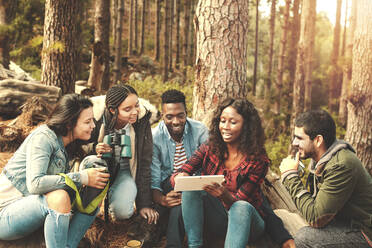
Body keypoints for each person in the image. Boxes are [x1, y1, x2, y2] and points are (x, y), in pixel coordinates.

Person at [172, 98, 294, 248]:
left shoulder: (257, 160)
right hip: (218, 218)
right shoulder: (211, 146)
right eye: (222, 121)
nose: (225, 127)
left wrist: (224, 195)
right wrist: (180, 177)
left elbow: (239, 203)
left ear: (246, 126)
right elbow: (183, 170)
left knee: (241, 207)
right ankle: (194, 245)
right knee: (191, 189)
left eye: (233, 122)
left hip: (248, 222)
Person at [0, 94, 106, 248]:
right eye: (87, 122)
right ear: (69, 124)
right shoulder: (43, 137)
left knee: (94, 178)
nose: (93, 126)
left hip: (32, 211)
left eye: (93, 120)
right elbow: (35, 184)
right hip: (5, 213)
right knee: (59, 197)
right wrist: (81, 177)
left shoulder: (67, 143)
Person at [279, 109, 372, 248]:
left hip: (363, 234)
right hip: (341, 225)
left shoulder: (341, 165)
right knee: (281, 217)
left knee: (305, 238)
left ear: (318, 140)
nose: (293, 143)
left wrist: (290, 176)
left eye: (299, 138)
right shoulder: (321, 161)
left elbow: (316, 218)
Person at [82, 84, 159, 225]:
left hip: (126, 170)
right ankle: (85, 210)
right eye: (127, 109)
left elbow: (144, 163)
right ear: (112, 110)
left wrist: (144, 204)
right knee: (92, 161)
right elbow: (78, 146)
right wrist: (95, 148)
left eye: (136, 105)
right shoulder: (96, 118)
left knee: (123, 212)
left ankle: (115, 198)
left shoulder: (142, 122)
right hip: (99, 168)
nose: (135, 112)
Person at [151, 89, 208, 247]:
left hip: (197, 185)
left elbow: (209, 168)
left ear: (186, 113)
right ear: (162, 116)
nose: (175, 121)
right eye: (169, 116)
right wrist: (163, 200)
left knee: (183, 197)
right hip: (168, 185)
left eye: (180, 115)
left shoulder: (200, 131)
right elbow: (154, 181)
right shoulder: (154, 138)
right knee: (179, 198)